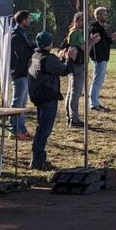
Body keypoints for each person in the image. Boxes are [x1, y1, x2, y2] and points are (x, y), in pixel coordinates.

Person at [27, 31, 78, 171]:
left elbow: (53, 67)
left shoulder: (35, 56)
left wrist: (61, 59)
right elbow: (64, 71)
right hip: (48, 96)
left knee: (41, 127)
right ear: (49, 44)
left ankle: (37, 158)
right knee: (44, 129)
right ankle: (38, 160)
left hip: (38, 96)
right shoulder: (48, 58)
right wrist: (70, 59)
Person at [64, 12, 99, 128]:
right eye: (82, 20)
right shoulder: (77, 33)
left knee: (71, 92)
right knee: (75, 93)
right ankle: (74, 119)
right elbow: (85, 49)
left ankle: (69, 117)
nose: (84, 23)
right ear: (76, 21)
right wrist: (91, 42)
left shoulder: (73, 32)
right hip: (78, 65)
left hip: (74, 64)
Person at [88, 6, 116, 112]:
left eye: (106, 14)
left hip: (103, 56)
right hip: (98, 57)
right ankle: (93, 104)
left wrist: (111, 38)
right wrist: (96, 57)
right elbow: (94, 43)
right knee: (97, 80)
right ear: (98, 15)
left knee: (99, 81)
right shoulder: (94, 27)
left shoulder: (101, 27)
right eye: (104, 14)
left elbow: (104, 42)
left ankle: (96, 102)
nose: (106, 16)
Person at [8, 10, 34, 141]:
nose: (29, 21)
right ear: (23, 20)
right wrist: (32, 51)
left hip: (25, 72)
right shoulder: (15, 35)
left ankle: (21, 129)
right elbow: (21, 54)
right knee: (17, 102)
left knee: (22, 103)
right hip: (18, 73)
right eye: (28, 19)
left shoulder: (22, 33)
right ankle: (13, 130)